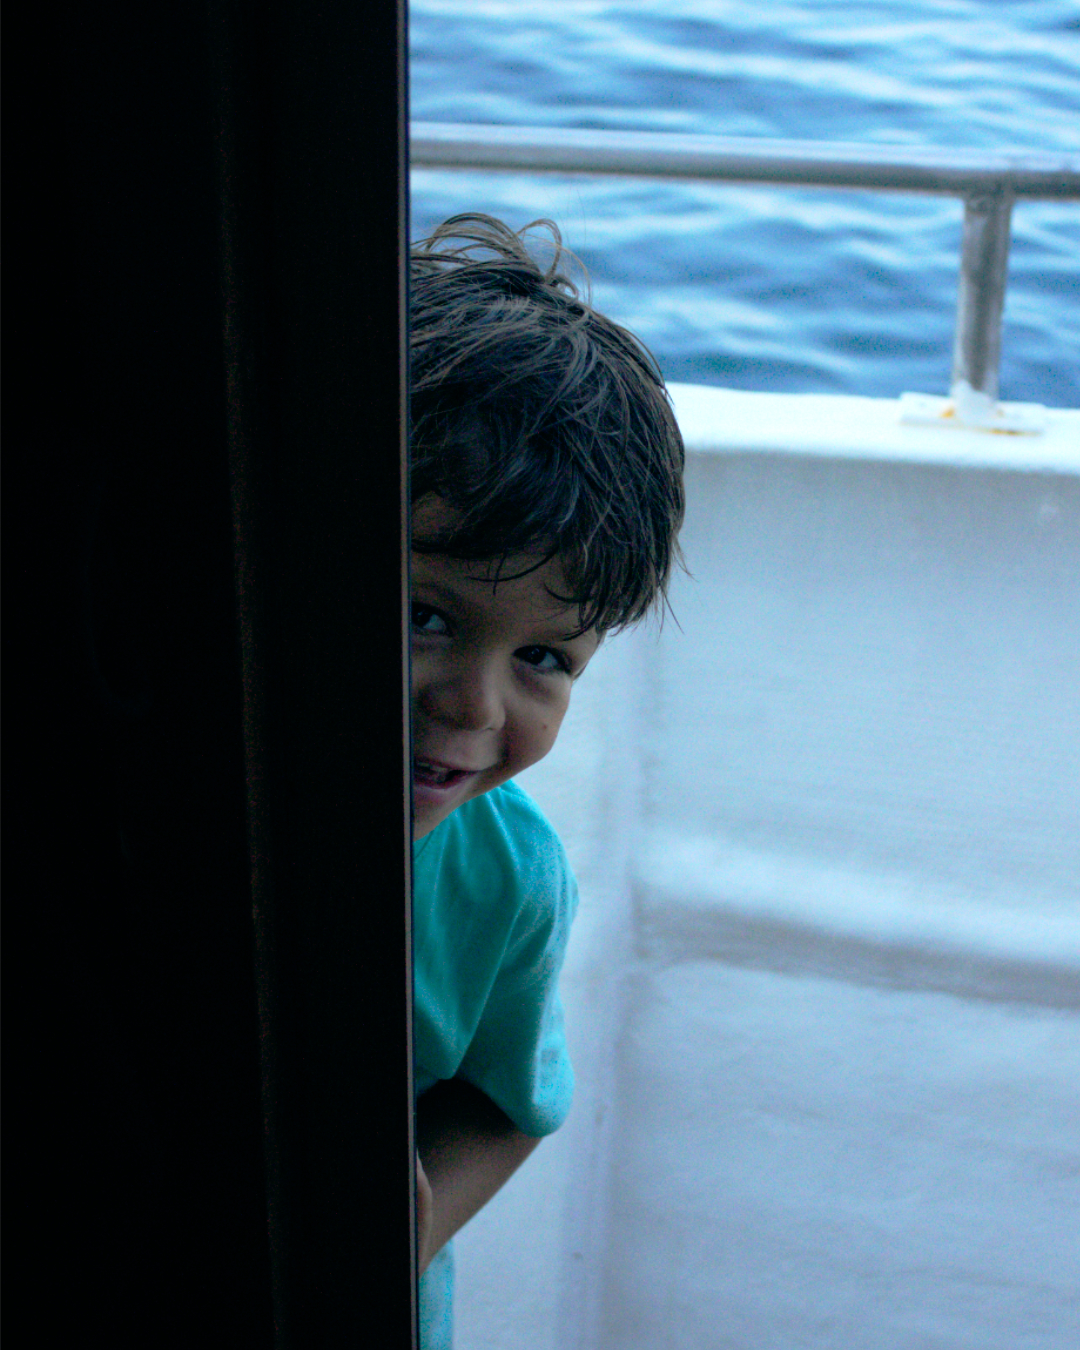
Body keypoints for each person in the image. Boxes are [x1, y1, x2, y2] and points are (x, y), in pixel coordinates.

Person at [408, 213, 685, 1348]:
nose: (474, 708)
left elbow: (505, 1105)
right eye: (426, 617)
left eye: (543, 660)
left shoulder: (511, 878)